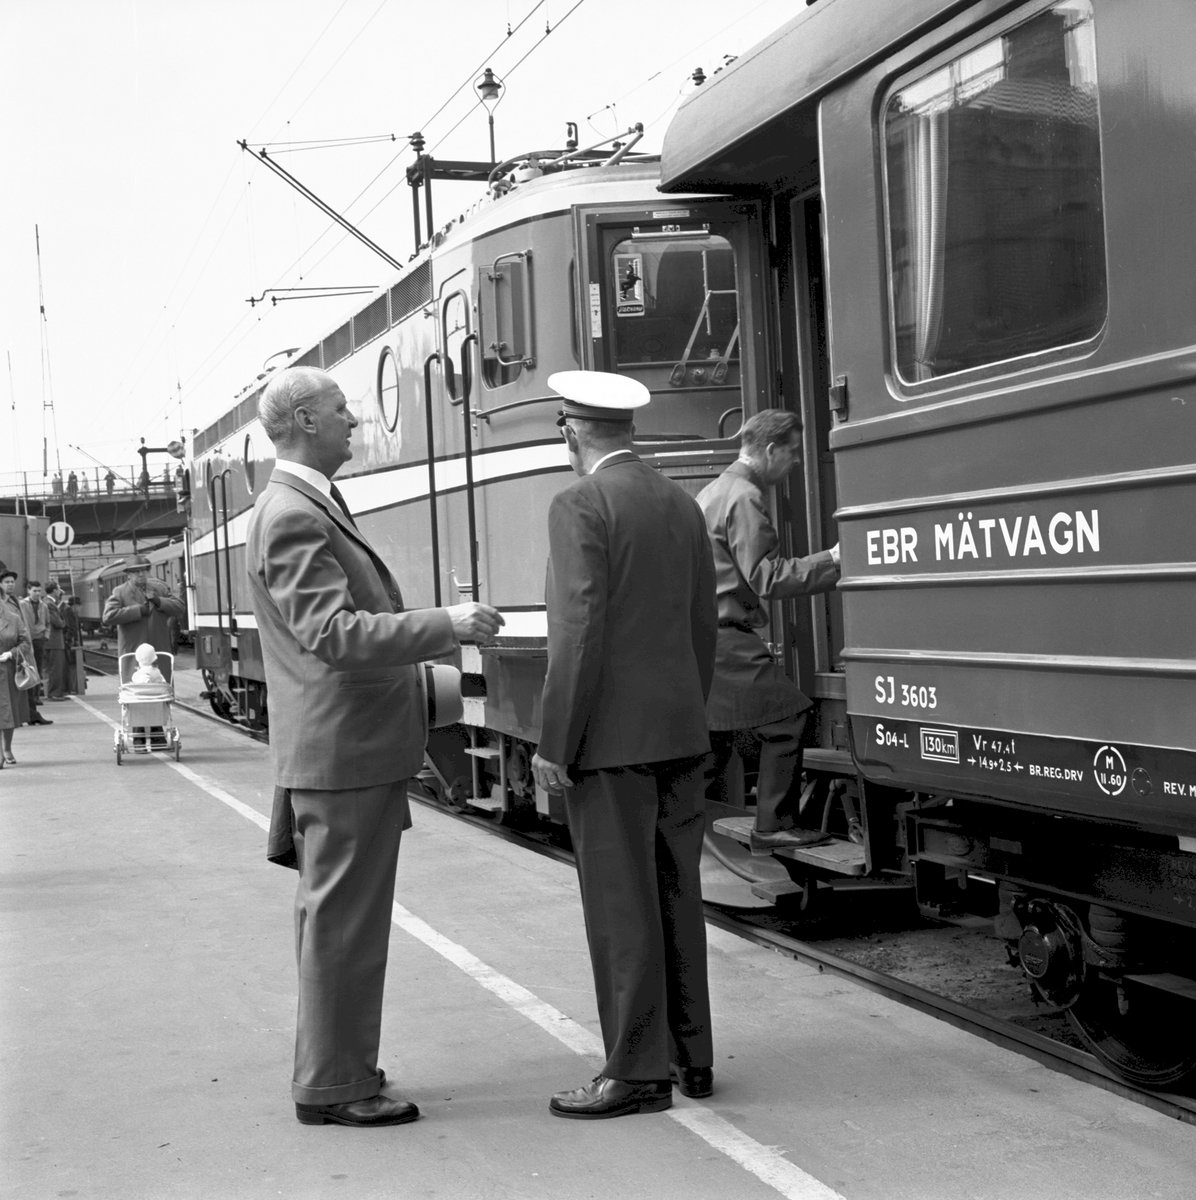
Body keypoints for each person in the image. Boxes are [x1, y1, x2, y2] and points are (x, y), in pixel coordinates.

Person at [247, 365, 504, 1129]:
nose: (354, 419)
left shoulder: (302, 504)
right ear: (303, 422)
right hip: (345, 752)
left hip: (346, 749)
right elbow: (331, 634)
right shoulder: (293, 514)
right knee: (344, 928)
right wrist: (445, 624)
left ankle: (339, 1067)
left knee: (339, 923)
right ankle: (336, 1085)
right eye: (341, 408)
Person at [531, 371, 719, 1120]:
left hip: (609, 742)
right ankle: (691, 1057)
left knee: (621, 909)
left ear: (572, 431)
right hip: (679, 730)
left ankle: (636, 1073)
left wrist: (556, 741)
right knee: (678, 893)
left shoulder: (579, 504)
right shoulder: (681, 502)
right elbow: (702, 624)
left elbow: (578, 631)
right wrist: (686, 712)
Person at [695, 409, 841, 855]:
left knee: (715, 744)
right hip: (727, 638)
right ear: (771, 450)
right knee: (788, 717)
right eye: (792, 452)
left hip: (707, 634)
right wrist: (834, 560)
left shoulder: (713, 491)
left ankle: (669, 824)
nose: (795, 461)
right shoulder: (745, 496)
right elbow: (767, 577)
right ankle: (773, 825)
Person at [101, 556, 185, 658]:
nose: (141, 574)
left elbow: (180, 607)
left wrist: (159, 601)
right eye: (136, 571)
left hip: (159, 651)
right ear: (128, 574)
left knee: (160, 669)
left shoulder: (160, 588)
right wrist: (138, 611)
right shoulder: (120, 592)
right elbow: (108, 616)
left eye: (144, 570)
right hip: (133, 652)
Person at [0, 569, 32, 760]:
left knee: (8, 711)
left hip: (8, 670)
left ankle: (7, 748)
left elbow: (26, 642)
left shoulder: (13, 618)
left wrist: (10, 653)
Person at [18, 581, 52, 725]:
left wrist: (46, 636)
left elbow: (48, 622)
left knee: (36, 672)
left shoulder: (44, 606)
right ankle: (29, 712)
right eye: (34, 591)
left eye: (39, 591)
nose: (37, 593)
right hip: (27, 641)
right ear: (29, 591)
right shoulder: (22, 604)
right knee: (27, 672)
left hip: (39, 640)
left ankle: (35, 700)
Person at [42, 582, 68, 701]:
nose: (60, 591)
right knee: (55, 668)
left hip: (52, 641)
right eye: (58, 589)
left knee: (51, 668)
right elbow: (58, 622)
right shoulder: (49, 604)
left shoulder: (48, 602)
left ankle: (54, 692)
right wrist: (63, 623)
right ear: (54, 590)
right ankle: (54, 693)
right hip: (54, 641)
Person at [63, 596, 81, 694]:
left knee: (73, 665)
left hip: (73, 642)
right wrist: (69, 640)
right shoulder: (69, 612)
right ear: (75, 605)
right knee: (73, 665)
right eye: (79, 605)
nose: (80, 608)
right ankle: (73, 687)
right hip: (72, 643)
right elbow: (72, 628)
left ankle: (74, 687)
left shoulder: (73, 613)